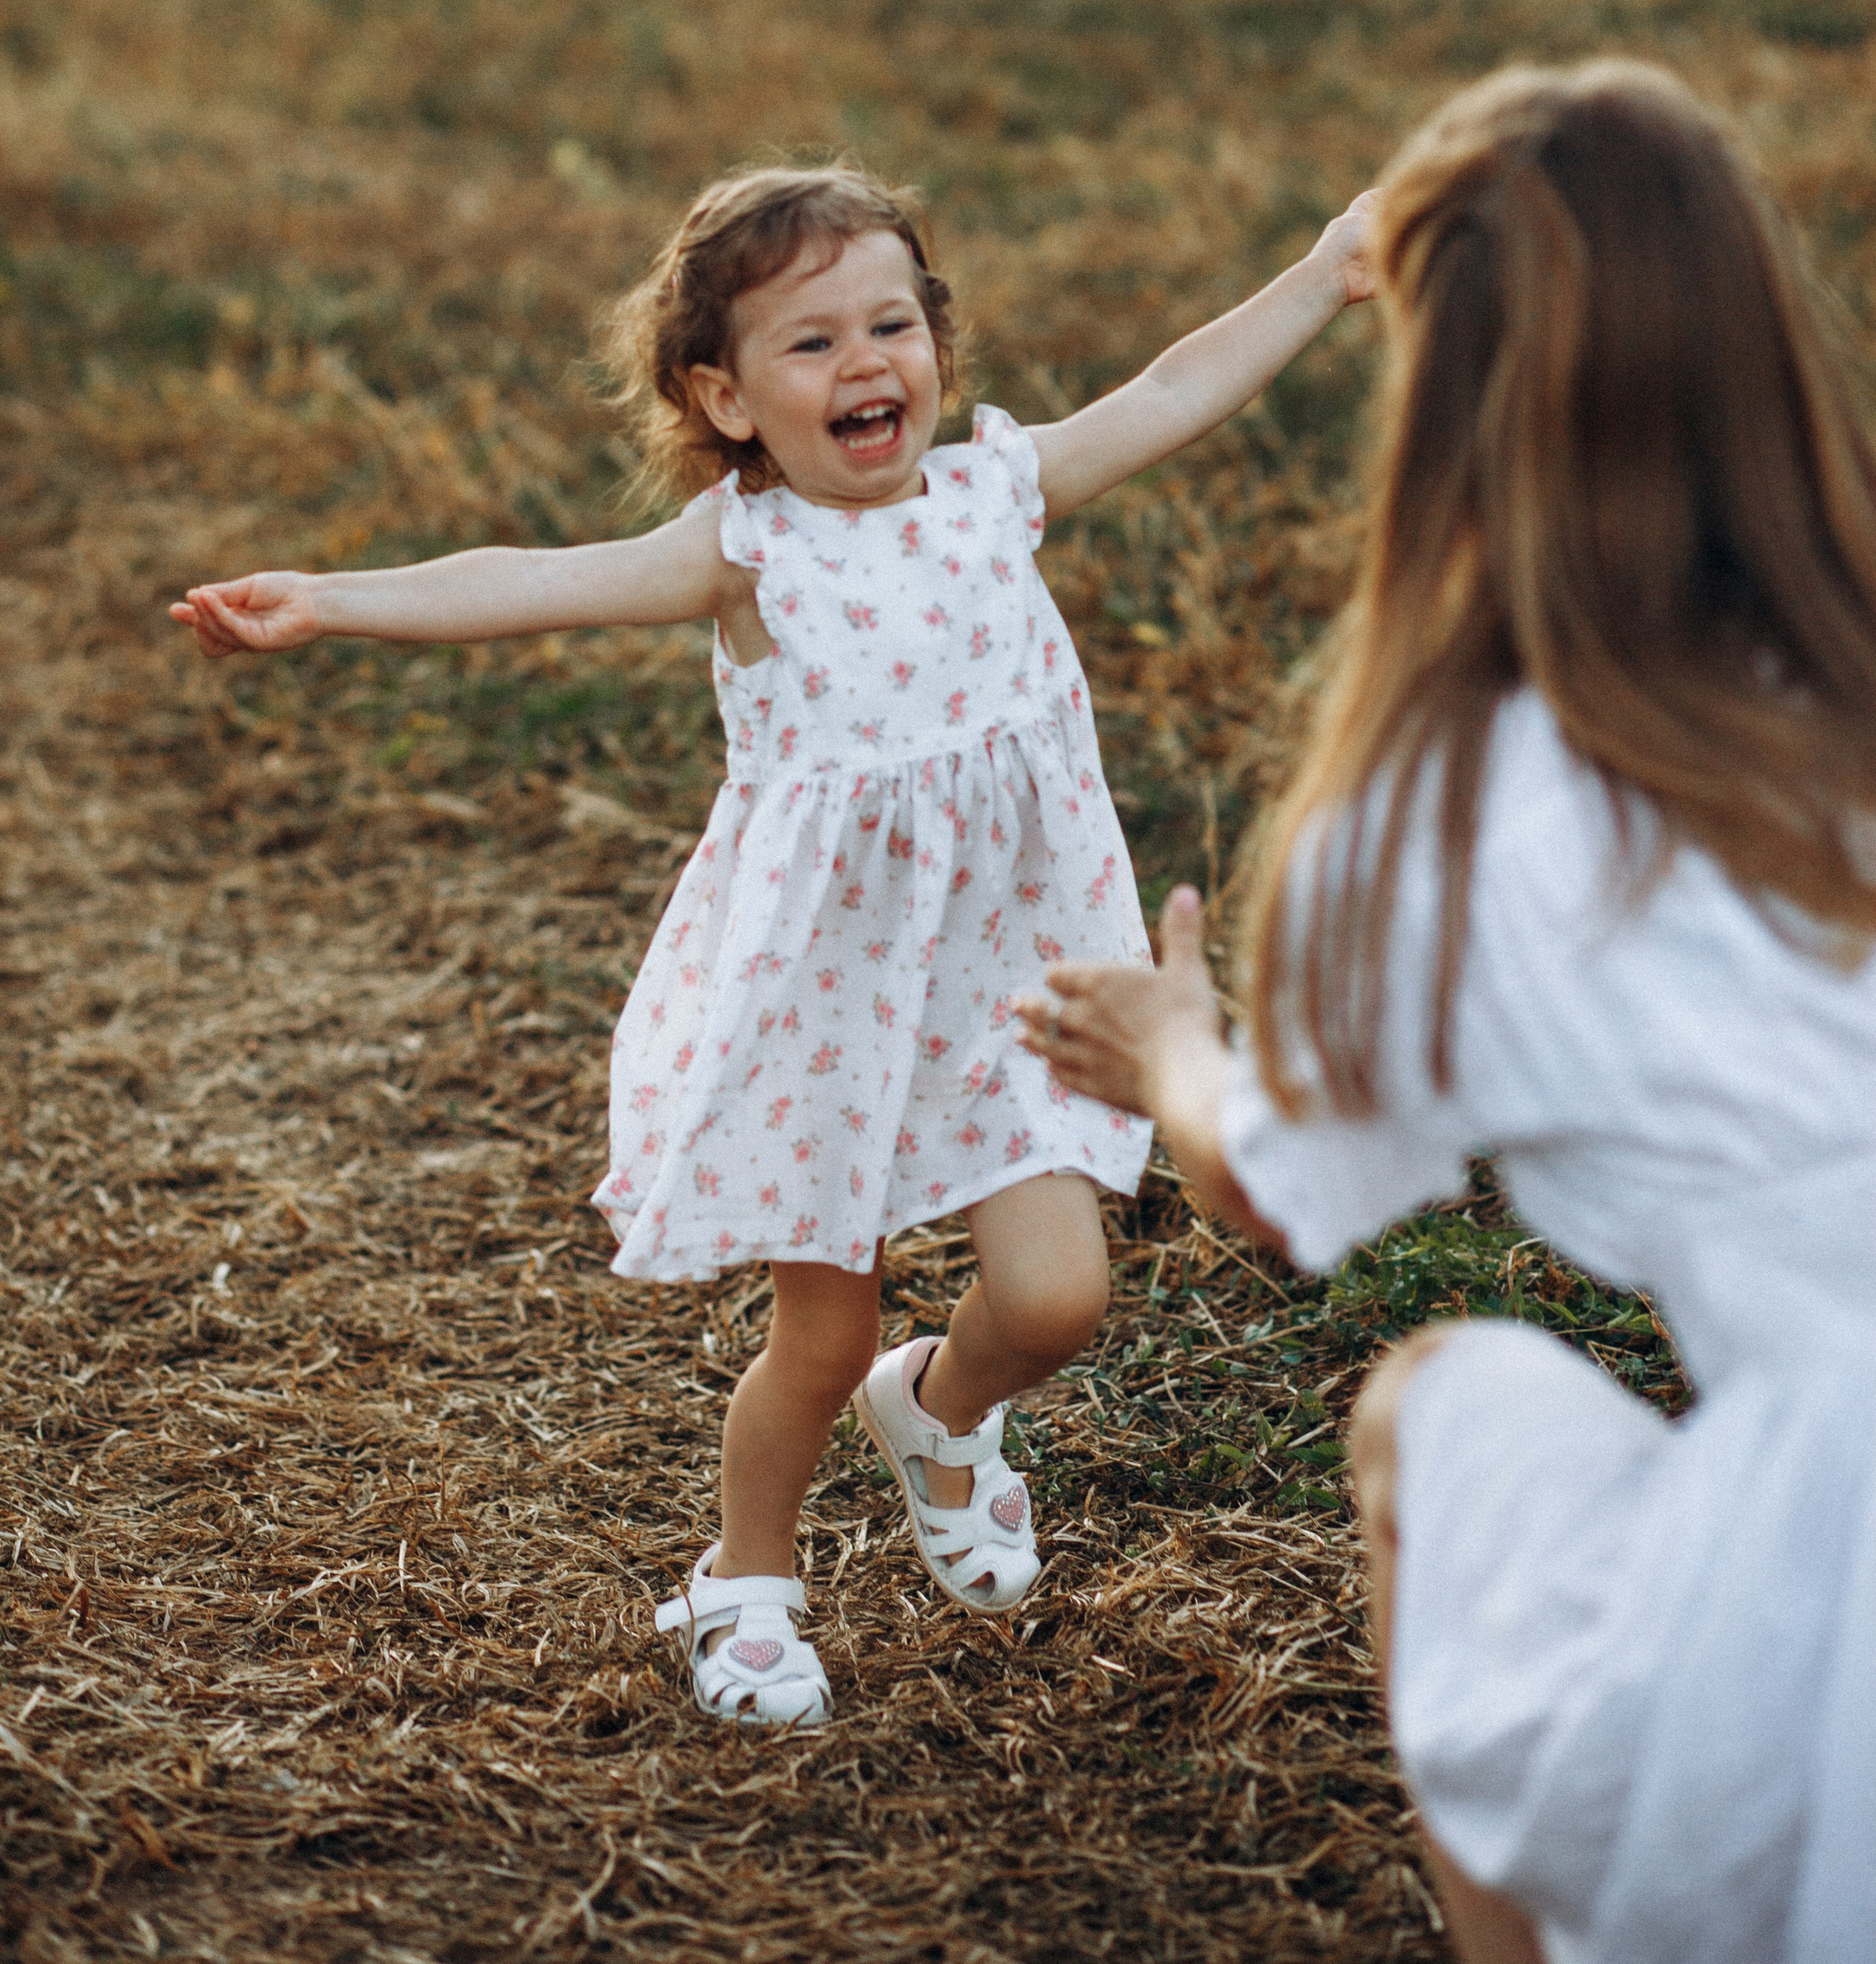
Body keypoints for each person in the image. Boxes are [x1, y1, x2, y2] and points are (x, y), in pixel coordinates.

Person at [173, 160, 1374, 1728]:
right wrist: (327, 601)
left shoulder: (994, 491)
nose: (865, 364)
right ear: (723, 397)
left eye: (891, 323)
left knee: (1060, 1299)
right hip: (832, 1007)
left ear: (938, 344)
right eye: (810, 345)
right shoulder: (741, 555)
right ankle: (745, 1581)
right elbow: (531, 581)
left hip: (1009, 986)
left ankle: (939, 1422)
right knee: (822, 1329)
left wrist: (1326, 268)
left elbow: (1174, 386)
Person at [1019, 62, 1876, 1964]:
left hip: (1838, 1595)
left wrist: (1172, 1049)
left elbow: (1279, 1191)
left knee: (1440, 1403)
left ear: (1442, 407)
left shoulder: (1441, 813)